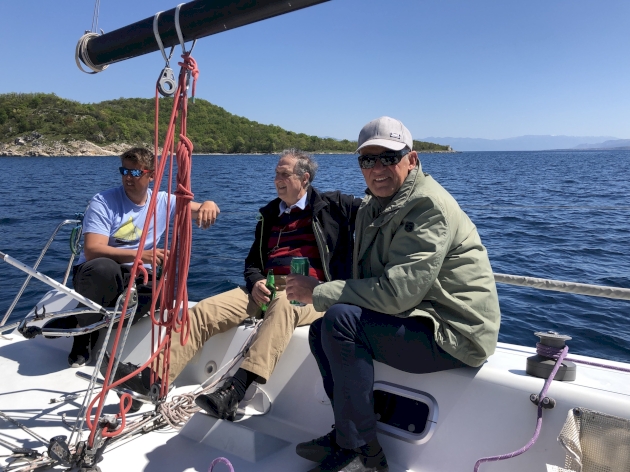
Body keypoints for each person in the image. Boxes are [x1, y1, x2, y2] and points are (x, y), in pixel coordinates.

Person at [286, 117, 501, 472]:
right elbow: (373, 282)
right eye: (367, 160)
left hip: (455, 332)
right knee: (319, 329)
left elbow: (398, 293)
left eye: (389, 157)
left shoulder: (426, 206)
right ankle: (346, 435)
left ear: (411, 159)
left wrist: (320, 291)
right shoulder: (375, 205)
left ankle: (363, 454)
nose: (377, 169)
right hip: (420, 315)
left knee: (340, 321)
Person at [111, 149, 361, 421]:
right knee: (203, 311)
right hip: (265, 288)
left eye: (284, 174)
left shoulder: (332, 206)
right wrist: (255, 282)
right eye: (276, 173)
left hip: (312, 292)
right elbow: (252, 263)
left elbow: (375, 208)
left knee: (283, 305)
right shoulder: (270, 214)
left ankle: (235, 390)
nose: (276, 179)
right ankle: (153, 380)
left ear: (305, 178)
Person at [57, 147, 219, 367]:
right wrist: (140, 255)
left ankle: (84, 318)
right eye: (124, 171)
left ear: (151, 175)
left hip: (136, 274)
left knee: (163, 293)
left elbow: (197, 209)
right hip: (96, 271)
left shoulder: (162, 201)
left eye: (135, 173)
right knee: (105, 269)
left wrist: (209, 204)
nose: (128, 178)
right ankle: (83, 335)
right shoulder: (103, 202)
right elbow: (92, 250)